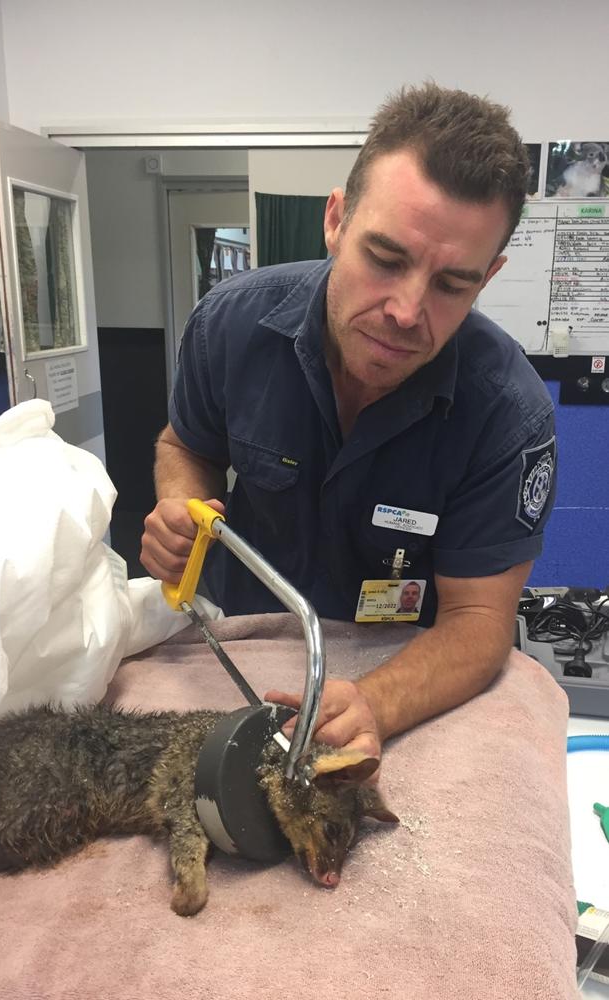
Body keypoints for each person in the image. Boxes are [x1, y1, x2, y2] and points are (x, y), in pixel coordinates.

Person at [141, 82, 556, 775]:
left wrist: (377, 703)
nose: (406, 310)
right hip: (244, 643)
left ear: (489, 276)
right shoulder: (231, 326)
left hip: (405, 676)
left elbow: (478, 625)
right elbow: (185, 444)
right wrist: (179, 506)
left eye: (452, 283)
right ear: (336, 219)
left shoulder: (508, 414)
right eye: (386, 259)